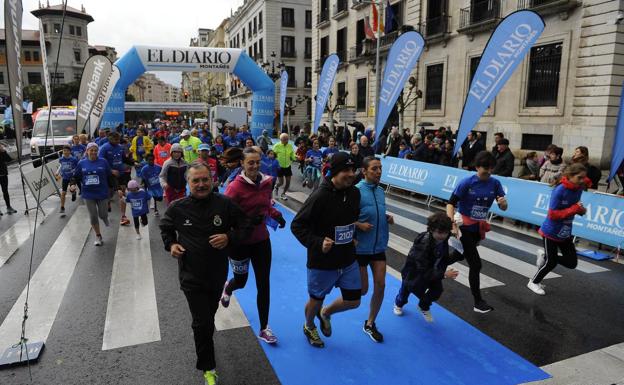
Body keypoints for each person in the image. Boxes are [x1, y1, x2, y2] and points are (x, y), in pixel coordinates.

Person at [160, 162, 251, 385]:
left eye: (205, 180)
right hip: (191, 276)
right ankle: (208, 367)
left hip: (217, 274)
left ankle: (206, 340)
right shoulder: (177, 207)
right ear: (188, 183)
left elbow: (245, 226)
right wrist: (171, 244)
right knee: (201, 323)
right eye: (195, 181)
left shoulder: (225, 204)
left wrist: (229, 237)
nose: (201, 184)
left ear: (212, 180)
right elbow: (165, 227)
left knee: (208, 317)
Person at [291, 152, 361, 348]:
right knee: (316, 300)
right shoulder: (320, 196)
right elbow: (297, 226)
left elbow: (349, 218)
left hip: (347, 259)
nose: (351, 174)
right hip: (322, 260)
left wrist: (353, 234)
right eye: (346, 170)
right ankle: (309, 325)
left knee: (354, 300)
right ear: (335, 172)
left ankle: (327, 313)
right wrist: (317, 242)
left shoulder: (354, 193)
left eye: (352, 170)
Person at [222, 148, 286, 344]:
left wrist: (276, 215)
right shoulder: (234, 187)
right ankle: (228, 287)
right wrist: (246, 221)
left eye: (258, 162)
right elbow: (225, 214)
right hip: (240, 243)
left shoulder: (266, 182)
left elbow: (265, 204)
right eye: (251, 162)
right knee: (241, 281)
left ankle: (264, 328)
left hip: (261, 241)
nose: (255, 166)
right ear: (242, 163)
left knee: (263, 284)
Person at [446, 151, 508, 313]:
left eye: (490, 168)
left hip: (477, 228)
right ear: (477, 167)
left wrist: (503, 203)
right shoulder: (467, 182)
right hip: (463, 226)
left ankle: (432, 267)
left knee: (458, 255)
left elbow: (504, 206)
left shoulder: (495, 183)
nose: (487, 171)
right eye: (484, 168)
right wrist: (451, 222)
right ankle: (478, 302)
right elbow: (451, 204)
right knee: (475, 264)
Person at [528, 164, 590, 295]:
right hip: (551, 231)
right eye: (579, 177)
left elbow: (576, 208)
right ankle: (533, 282)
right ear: (570, 176)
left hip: (565, 232)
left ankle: (545, 256)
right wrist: (574, 209)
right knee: (551, 263)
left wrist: (581, 211)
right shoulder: (560, 190)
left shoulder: (579, 189)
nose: (582, 181)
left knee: (571, 263)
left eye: (584, 178)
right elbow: (553, 215)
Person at [393, 213, 461, 322]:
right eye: (440, 232)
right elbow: (422, 269)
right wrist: (443, 274)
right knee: (405, 291)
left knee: (437, 290)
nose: (443, 236)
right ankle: (398, 304)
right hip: (414, 273)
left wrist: (461, 251)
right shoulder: (423, 244)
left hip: (432, 271)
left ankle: (423, 306)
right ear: (431, 229)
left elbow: (444, 258)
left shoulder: (442, 237)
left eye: (446, 233)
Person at [355, 156, 394, 342]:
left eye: (380, 168)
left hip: (378, 246)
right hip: (361, 248)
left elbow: (375, 211)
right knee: (362, 290)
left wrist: (385, 217)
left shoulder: (380, 191)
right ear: (364, 171)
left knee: (381, 285)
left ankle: (370, 323)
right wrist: (358, 225)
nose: (379, 171)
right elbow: (343, 217)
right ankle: (326, 310)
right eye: (374, 169)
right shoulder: (355, 191)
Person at [71, 143, 111, 246]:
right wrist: (73, 185)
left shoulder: (103, 161)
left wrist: (116, 188)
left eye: (95, 150)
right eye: (91, 150)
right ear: (87, 151)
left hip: (102, 192)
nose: (93, 152)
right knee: (93, 216)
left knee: (102, 214)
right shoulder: (82, 163)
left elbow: (109, 176)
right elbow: (75, 176)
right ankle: (98, 236)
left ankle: (104, 217)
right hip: (88, 194)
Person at [99, 132, 133, 226]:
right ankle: (107, 202)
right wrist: (111, 170)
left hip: (121, 174)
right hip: (110, 175)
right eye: (116, 140)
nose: (118, 141)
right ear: (110, 138)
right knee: (109, 194)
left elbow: (124, 159)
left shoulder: (119, 147)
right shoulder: (104, 148)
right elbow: (100, 162)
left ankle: (123, 216)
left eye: (119, 139)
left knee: (122, 193)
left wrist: (134, 163)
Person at [55, 145, 79, 217]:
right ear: (63, 151)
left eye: (67, 151)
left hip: (72, 177)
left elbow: (77, 168)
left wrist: (73, 171)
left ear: (70, 151)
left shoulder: (74, 159)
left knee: (72, 188)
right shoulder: (61, 159)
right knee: (63, 193)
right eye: (64, 151)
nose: (65, 152)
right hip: (65, 177)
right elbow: (61, 165)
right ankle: (62, 207)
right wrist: (57, 172)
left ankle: (73, 192)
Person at [273, 133, 296, 200]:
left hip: (288, 166)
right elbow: (272, 155)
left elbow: (292, 154)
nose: (286, 141)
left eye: (287, 139)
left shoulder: (290, 146)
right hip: (279, 167)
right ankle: (276, 186)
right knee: (281, 183)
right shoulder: (276, 146)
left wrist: (295, 158)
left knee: (288, 182)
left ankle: (283, 194)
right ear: (281, 139)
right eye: (284, 139)